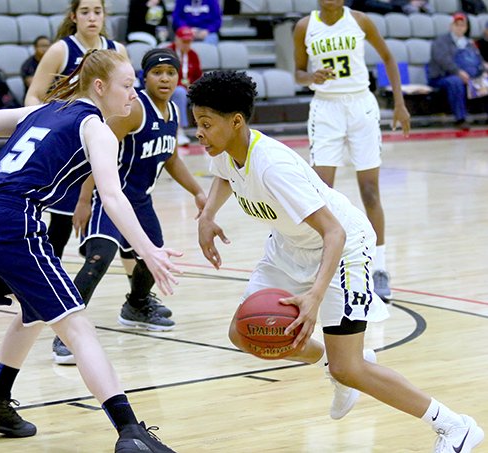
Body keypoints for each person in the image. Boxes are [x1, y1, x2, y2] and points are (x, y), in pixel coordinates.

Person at [190, 69, 485, 453]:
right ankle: (333, 362)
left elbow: (335, 233)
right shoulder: (226, 149)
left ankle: (455, 427)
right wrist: (208, 216)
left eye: (205, 124)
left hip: (343, 248)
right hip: (288, 247)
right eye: (197, 123)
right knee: (244, 333)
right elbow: (224, 177)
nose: (199, 132)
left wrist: (314, 296)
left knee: (352, 369)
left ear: (237, 121)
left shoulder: (273, 167)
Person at [0, 49, 179, 453]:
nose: (133, 94)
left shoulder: (44, 110)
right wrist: (149, 250)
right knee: (78, 327)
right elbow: (112, 197)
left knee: (33, 311)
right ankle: (131, 432)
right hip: (13, 225)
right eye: (127, 86)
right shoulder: (96, 128)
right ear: (99, 87)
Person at [50, 48, 207, 365]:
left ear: (179, 78)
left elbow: (172, 158)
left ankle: (136, 305)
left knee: (155, 257)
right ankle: (66, 333)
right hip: (109, 198)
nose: (164, 79)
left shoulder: (173, 113)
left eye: (170, 73)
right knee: (98, 259)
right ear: (144, 78)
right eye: (156, 73)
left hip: (141, 202)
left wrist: (197, 191)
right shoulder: (134, 110)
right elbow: (98, 152)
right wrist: (83, 200)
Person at [293, 0, 411, 303]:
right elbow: (297, 73)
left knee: (370, 191)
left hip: (360, 105)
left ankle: (380, 268)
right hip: (326, 109)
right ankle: (322, 267)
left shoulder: (360, 20)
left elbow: (388, 58)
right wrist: (310, 78)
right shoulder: (305, 26)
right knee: (320, 193)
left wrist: (399, 104)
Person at [24, 0, 129, 262]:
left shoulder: (117, 50)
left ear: (105, 15)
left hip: (102, 141)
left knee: (105, 223)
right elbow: (34, 96)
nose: (92, 17)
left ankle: (135, 298)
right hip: (68, 143)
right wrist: (46, 128)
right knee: (59, 227)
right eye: (85, 12)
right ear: (74, 16)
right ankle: (44, 277)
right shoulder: (61, 50)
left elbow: (128, 95)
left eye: (97, 11)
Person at [428, 12, 484, 130]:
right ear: (451, 26)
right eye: (456, 24)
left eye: (462, 25)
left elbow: (478, 60)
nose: (459, 27)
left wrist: (483, 71)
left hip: (469, 76)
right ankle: (460, 119)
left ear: (466, 28)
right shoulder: (441, 41)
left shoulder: (469, 43)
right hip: (442, 77)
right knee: (455, 82)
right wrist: (458, 72)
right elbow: (442, 60)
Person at [167, 26, 203, 146]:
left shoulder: (193, 55)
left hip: (189, 89)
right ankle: (179, 130)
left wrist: (194, 87)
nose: (186, 45)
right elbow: (165, 75)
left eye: (189, 42)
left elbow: (198, 77)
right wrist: (182, 85)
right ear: (176, 39)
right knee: (180, 92)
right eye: (184, 41)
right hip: (171, 90)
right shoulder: (168, 52)